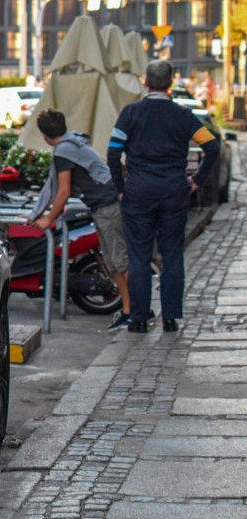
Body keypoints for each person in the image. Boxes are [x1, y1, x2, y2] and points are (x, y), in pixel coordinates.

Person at [107, 59, 220, 333]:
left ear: (145, 81)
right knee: (171, 255)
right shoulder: (183, 115)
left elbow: (112, 152)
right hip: (173, 191)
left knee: (139, 256)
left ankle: (139, 319)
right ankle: (170, 317)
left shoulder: (130, 113)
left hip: (139, 191)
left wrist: (121, 187)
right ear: (171, 82)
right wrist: (196, 181)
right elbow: (213, 146)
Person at [31, 109, 132, 331]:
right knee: (114, 261)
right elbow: (57, 189)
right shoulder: (73, 143)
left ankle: (132, 311)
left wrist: (48, 218)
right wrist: (37, 213)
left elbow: (63, 191)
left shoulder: (64, 151)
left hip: (107, 207)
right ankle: (130, 309)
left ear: (44, 135)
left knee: (118, 261)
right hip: (108, 204)